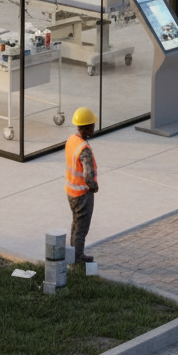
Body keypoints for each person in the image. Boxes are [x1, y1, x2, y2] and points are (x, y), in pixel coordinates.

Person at [64, 107, 99, 265]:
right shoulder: (84, 149)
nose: (94, 127)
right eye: (92, 124)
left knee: (76, 224)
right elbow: (87, 175)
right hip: (82, 194)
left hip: (71, 191)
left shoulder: (72, 140)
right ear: (85, 128)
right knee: (81, 228)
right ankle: (77, 258)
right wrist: (94, 186)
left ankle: (74, 252)